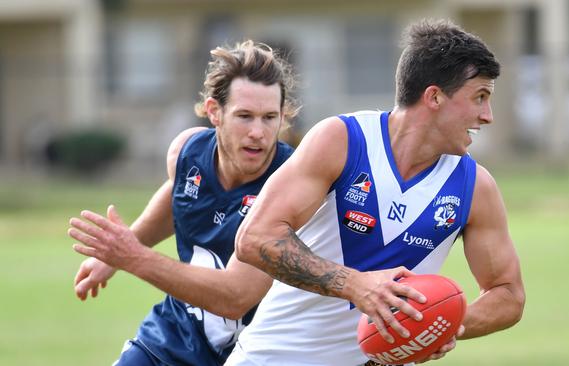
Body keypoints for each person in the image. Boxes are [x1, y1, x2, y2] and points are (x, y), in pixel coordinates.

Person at [227, 18, 526, 365]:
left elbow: (508, 294)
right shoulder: (343, 141)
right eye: (480, 97)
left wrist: (448, 323)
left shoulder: (474, 187)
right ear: (434, 97)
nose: (487, 115)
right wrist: (355, 285)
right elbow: (254, 239)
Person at [69, 40, 298, 366]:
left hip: (257, 352)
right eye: (245, 116)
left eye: (269, 117)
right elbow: (179, 197)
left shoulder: (290, 182)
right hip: (176, 334)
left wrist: (132, 257)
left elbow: (235, 297)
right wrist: (117, 254)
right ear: (214, 112)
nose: (258, 132)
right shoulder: (187, 152)